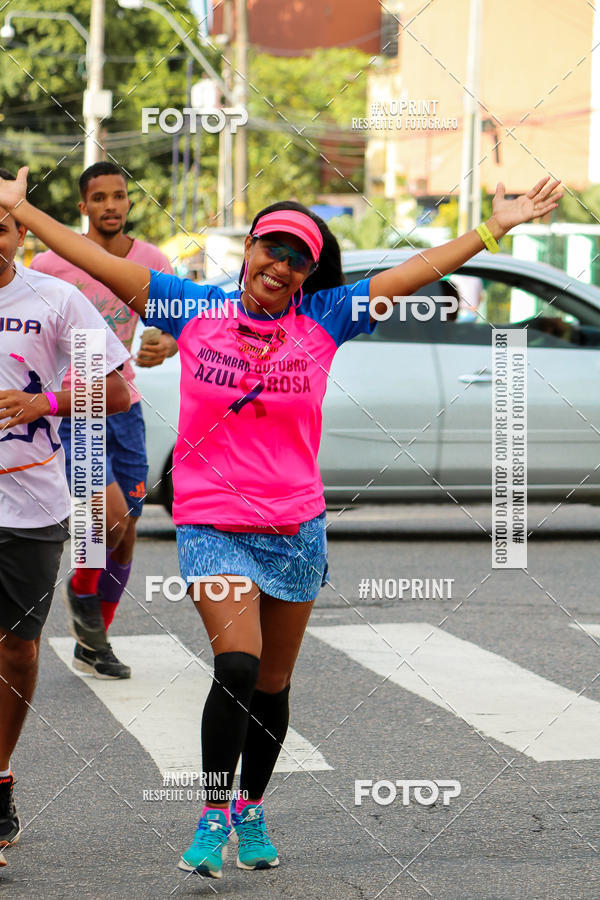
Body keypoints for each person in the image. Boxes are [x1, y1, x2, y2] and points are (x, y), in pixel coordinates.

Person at [0, 168, 562, 879]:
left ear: (307, 274)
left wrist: (494, 227)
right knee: (235, 664)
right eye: (273, 248)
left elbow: (416, 270)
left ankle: (251, 806)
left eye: (298, 259)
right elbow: (92, 259)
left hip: (295, 526)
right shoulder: (191, 307)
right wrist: (24, 211)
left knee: (272, 683)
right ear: (250, 249)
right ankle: (212, 815)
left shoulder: (326, 317)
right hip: (212, 522)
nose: (282, 266)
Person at [0, 168, 131, 867]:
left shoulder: (54, 300)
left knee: (16, 650)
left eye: (0, 227)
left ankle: (0, 774)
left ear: (19, 234)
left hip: (29, 505)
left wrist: (44, 403)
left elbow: (116, 393)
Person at [29, 162, 177, 679]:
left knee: (127, 529)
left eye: (119, 196)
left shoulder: (152, 261)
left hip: (124, 406)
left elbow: (175, 325)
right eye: (99, 198)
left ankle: (94, 644)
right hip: (75, 407)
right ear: (83, 207)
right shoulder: (51, 262)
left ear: (129, 202)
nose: (111, 205)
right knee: (107, 520)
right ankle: (80, 589)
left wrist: (165, 344)